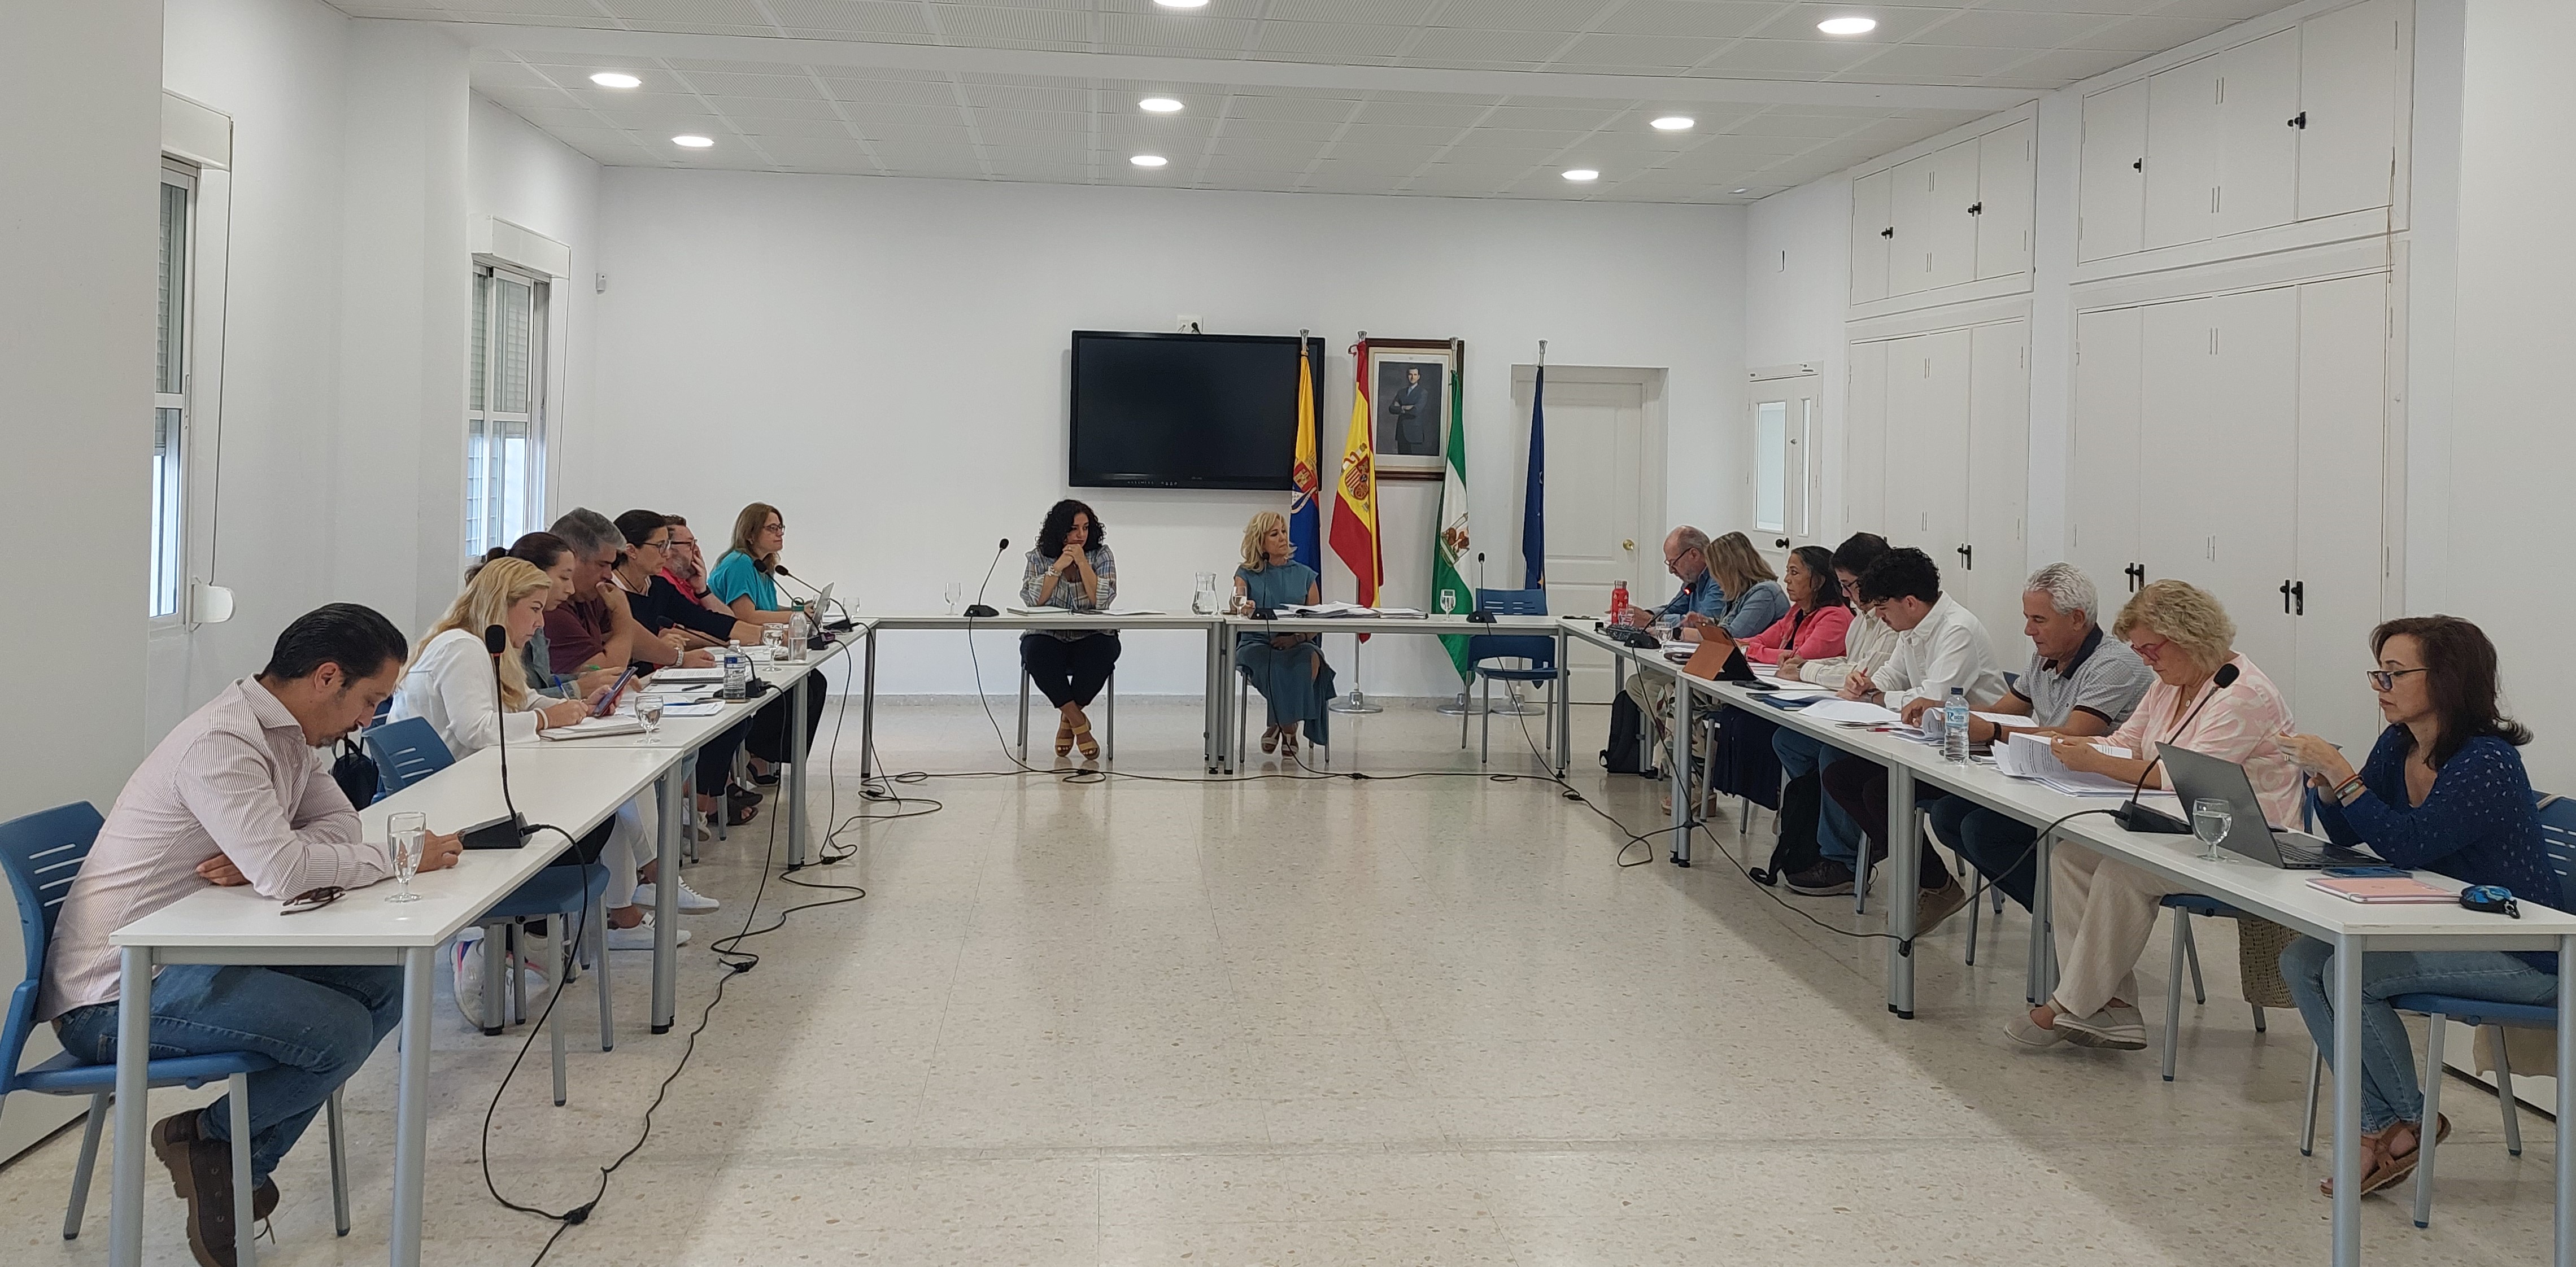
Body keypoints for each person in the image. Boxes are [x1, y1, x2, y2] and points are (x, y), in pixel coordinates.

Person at [40, 605, 462, 1267]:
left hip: (191, 958)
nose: (367, 721)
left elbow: (339, 828)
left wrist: (272, 856)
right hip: (114, 997)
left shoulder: (288, 735)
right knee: (337, 1033)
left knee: (387, 982)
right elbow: (287, 874)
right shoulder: (225, 744)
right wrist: (396, 856)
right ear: (327, 677)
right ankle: (217, 1147)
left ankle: (221, 1151)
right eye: (369, 699)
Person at [2275, 617, 2558, 1198]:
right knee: (2300, 960)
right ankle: (2389, 1124)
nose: (2380, 686)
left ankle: (2404, 1122)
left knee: (2351, 974)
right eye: (2378, 673)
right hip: (2451, 930)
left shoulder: (2486, 761)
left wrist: (2341, 772)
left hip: (2527, 953)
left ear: (2447, 678)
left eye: (2394, 673)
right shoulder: (2399, 742)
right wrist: (2326, 783)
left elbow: (2408, 844)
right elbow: (2350, 830)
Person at [389, 558, 696, 1026]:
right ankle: (492, 940)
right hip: (454, 799)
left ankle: (528, 936)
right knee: (582, 824)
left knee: (597, 816)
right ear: (501, 604)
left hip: (479, 782)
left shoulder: (485, 646)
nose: (539, 622)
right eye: (533, 609)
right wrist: (546, 718)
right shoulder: (462, 647)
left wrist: (574, 705)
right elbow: (478, 730)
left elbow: (522, 700)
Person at [2009, 579, 2298, 1052]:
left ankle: (2068, 1004)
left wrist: (2094, 760)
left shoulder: (2242, 694)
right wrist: (2069, 745)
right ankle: (2113, 1006)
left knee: (2122, 872)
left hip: (2244, 844)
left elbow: (2180, 777)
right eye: (2138, 650)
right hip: (2178, 829)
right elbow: (2126, 744)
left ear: (2188, 636)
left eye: (2150, 649)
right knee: (2071, 857)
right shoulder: (2169, 685)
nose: (2145, 660)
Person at [1925, 564, 2155, 912]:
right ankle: (2055, 911)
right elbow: (2003, 711)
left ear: (2077, 619)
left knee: (1982, 831)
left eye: (2039, 620)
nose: (2028, 630)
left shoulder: (2115, 663)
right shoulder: (2044, 658)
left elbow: (2075, 735)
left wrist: (1992, 731)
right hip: (2046, 783)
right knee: (1946, 816)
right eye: (2027, 618)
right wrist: (1947, 711)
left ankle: (2066, 915)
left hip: (2093, 791)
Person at [1810, 547, 2007, 932]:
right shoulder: (1911, 628)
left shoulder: (1957, 630)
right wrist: (1866, 684)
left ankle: (1934, 883)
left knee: (1880, 792)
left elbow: (1930, 701)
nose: (1880, 617)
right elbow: (1892, 678)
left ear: (1911, 603)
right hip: (1927, 743)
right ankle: (1915, 866)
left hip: (1973, 751)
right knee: (1840, 776)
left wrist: (1878, 697)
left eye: (1884, 609)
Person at [611, 510, 762, 831]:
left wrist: (766, 636)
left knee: (729, 716)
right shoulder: (610, 592)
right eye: (660, 546)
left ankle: (693, 806)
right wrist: (678, 657)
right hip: (625, 692)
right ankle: (684, 809)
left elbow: (708, 622)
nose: (666, 554)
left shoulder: (656, 587)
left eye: (669, 545)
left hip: (652, 686)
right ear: (631, 550)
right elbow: (636, 644)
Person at [1774, 532, 1897, 893]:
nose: (1845, 594)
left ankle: (1844, 858)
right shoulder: (1861, 620)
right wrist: (1806, 665)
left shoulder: (1891, 623)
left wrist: (1807, 670)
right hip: (1857, 713)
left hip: (1885, 726)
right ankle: (1822, 822)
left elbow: (1865, 677)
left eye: (1850, 585)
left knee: (1834, 756)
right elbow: (1848, 664)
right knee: (1788, 741)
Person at [707, 502, 825, 779]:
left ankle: (763, 756)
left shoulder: (763, 565)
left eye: (781, 527)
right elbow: (746, 615)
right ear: (750, 534)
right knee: (794, 687)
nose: (779, 533)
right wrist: (796, 617)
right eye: (772, 528)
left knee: (814, 683)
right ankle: (755, 755)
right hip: (729, 647)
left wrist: (799, 611)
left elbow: (767, 609)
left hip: (757, 645)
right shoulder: (739, 564)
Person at [1231, 510, 1337, 757]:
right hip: (1256, 644)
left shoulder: (1306, 575)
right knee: (1274, 664)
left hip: (1297, 642)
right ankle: (1289, 726)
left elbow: (1316, 621)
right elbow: (1236, 602)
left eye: (1284, 532)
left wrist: (1295, 638)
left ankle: (1277, 726)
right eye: (1274, 534)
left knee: (1310, 658)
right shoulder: (1246, 573)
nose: (1282, 538)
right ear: (1260, 542)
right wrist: (1244, 606)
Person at [1021, 498, 1121, 761]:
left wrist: (1083, 564)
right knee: (1035, 652)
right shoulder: (1039, 557)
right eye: (1074, 529)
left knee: (1105, 651)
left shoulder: (1101, 555)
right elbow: (1033, 600)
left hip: (1091, 635)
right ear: (1060, 530)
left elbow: (1102, 600)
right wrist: (1058, 567)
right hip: (1049, 635)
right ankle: (1079, 721)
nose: (1081, 535)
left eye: (1086, 528)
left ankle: (1068, 720)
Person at [1618, 526, 1723, 750]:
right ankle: (1679, 745)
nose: (1671, 571)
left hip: (1713, 667)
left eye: (1673, 563)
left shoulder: (1717, 581)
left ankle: (1687, 749)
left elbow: (1701, 623)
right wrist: (1647, 615)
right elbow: (1673, 608)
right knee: (1637, 683)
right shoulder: (1693, 582)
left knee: (1656, 689)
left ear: (1694, 554)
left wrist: (1651, 621)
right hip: (1693, 659)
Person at [1739, 545, 1851, 666]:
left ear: (1818, 581)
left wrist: (1749, 651)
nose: (1787, 579)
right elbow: (1763, 640)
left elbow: (1798, 659)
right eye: (1788, 572)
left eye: (1794, 573)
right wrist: (1737, 644)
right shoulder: (1798, 610)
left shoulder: (1836, 619)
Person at [1701, 532, 1793, 639]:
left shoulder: (1765, 593)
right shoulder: (1741, 593)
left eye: (1716, 571)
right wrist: (1710, 623)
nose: (1714, 577)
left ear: (1728, 570)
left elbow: (1732, 637)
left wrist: (1691, 634)